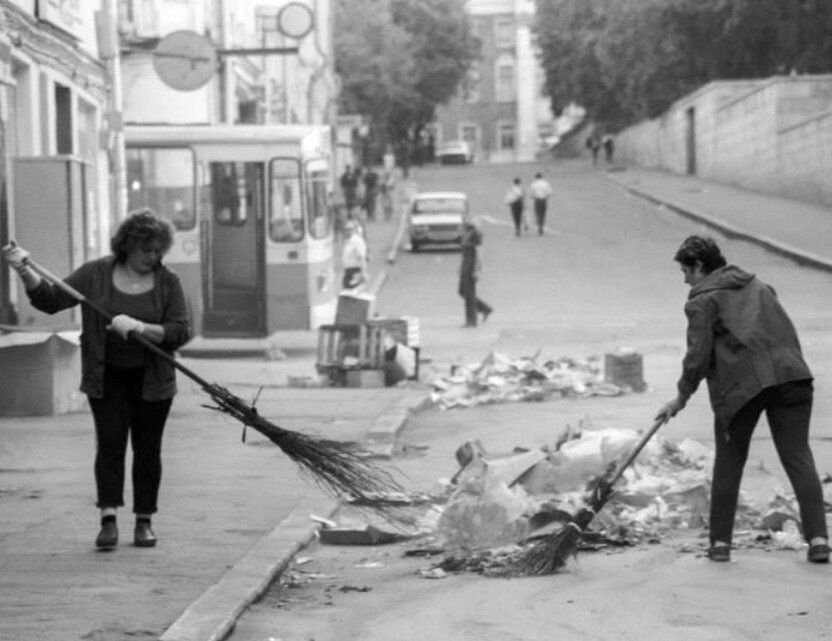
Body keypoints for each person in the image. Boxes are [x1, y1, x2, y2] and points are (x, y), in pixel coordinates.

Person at [2, 209, 191, 551]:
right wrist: (23, 269)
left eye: (158, 250)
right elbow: (50, 300)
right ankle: (108, 520)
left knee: (148, 450)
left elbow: (180, 331)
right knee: (110, 445)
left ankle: (144, 520)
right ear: (128, 246)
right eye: (147, 250)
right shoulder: (95, 274)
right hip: (107, 378)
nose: (154, 257)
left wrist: (141, 327)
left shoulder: (168, 281)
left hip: (154, 381)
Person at [656, 236, 829, 564]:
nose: (684, 279)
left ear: (700, 266)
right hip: (791, 376)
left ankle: (720, 544)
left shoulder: (701, 300)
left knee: (729, 460)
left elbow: (698, 355)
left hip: (741, 387)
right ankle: (819, 539)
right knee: (798, 456)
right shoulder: (760, 286)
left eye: (686, 271)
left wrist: (681, 395)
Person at [458, 216, 492, 327]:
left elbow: (479, 253)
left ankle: (471, 321)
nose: (461, 227)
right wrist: (460, 267)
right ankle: (484, 308)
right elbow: (464, 253)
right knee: (462, 291)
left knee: (469, 293)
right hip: (465, 264)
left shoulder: (475, 235)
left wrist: (478, 269)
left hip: (471, 265)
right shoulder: (466, 235)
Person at [341, 219, 369, 290]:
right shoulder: (348, 241)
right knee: (347, 291)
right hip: (348, 271)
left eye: (350, 229)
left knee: (352, 292)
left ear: (354, 230)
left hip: (355, 272)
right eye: (346, 229)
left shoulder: (357, 241)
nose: (348, 231)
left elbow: (362, 258)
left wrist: (364, 273)